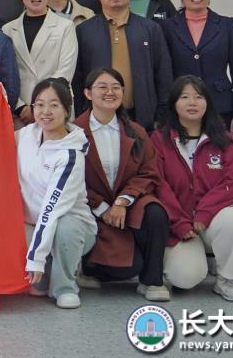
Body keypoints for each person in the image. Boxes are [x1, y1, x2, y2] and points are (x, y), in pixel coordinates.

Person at [151, 75, 233, 302]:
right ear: (174, 103)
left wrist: (204, 213)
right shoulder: (160, 140)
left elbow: (232, 183)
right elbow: (158, 184)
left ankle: (227, 280)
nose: (192, 103)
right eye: (184, 97)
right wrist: (179, 222)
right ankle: (190, 262)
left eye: (198, 97)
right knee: (185, 278)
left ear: (207, 102)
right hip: (179, 226)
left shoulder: (224, 140)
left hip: (213, 220)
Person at [75, 68, 171, 302]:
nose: (110, 92)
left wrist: (122, 201)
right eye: (102, 87)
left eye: (116, 87)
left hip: (128, 204)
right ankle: (88, 268)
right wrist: (102, 208)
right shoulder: (74, 132)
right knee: (126, 268)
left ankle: (152, 281)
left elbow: (149, 172)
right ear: (87, 93)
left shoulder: (136, 131)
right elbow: (71, 181)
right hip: (90, 208)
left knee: (155, 213)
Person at [16, 78, 96, 309]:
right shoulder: (25, 135)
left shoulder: (70, 155)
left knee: (64, 227)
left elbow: (51, 210)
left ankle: (66, 286)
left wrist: (35, 259)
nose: (46, 112)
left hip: (70, 226)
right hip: (34, 224)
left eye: (54, 105)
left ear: (67, 110)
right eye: (40, 105)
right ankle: (46, 269)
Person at [73, 0, 173, 130]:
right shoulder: (84, 30)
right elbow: (78, 79)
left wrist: (161, 117)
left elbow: (163, 75)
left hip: (142, 119)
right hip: (96, 119)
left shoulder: (150, 29)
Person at [161, 0, 233, 134]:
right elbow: (164, 71)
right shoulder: (168, 27)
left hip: (220, 105)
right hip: (182, 107)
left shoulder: (227, 25)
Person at [2, 0, 77, 124]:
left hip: (55, 106)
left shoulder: (65, 26)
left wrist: (39, 106)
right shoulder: (8, 29)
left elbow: (65, 71)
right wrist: (20, 107)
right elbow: (5, 74)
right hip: (20, 113)